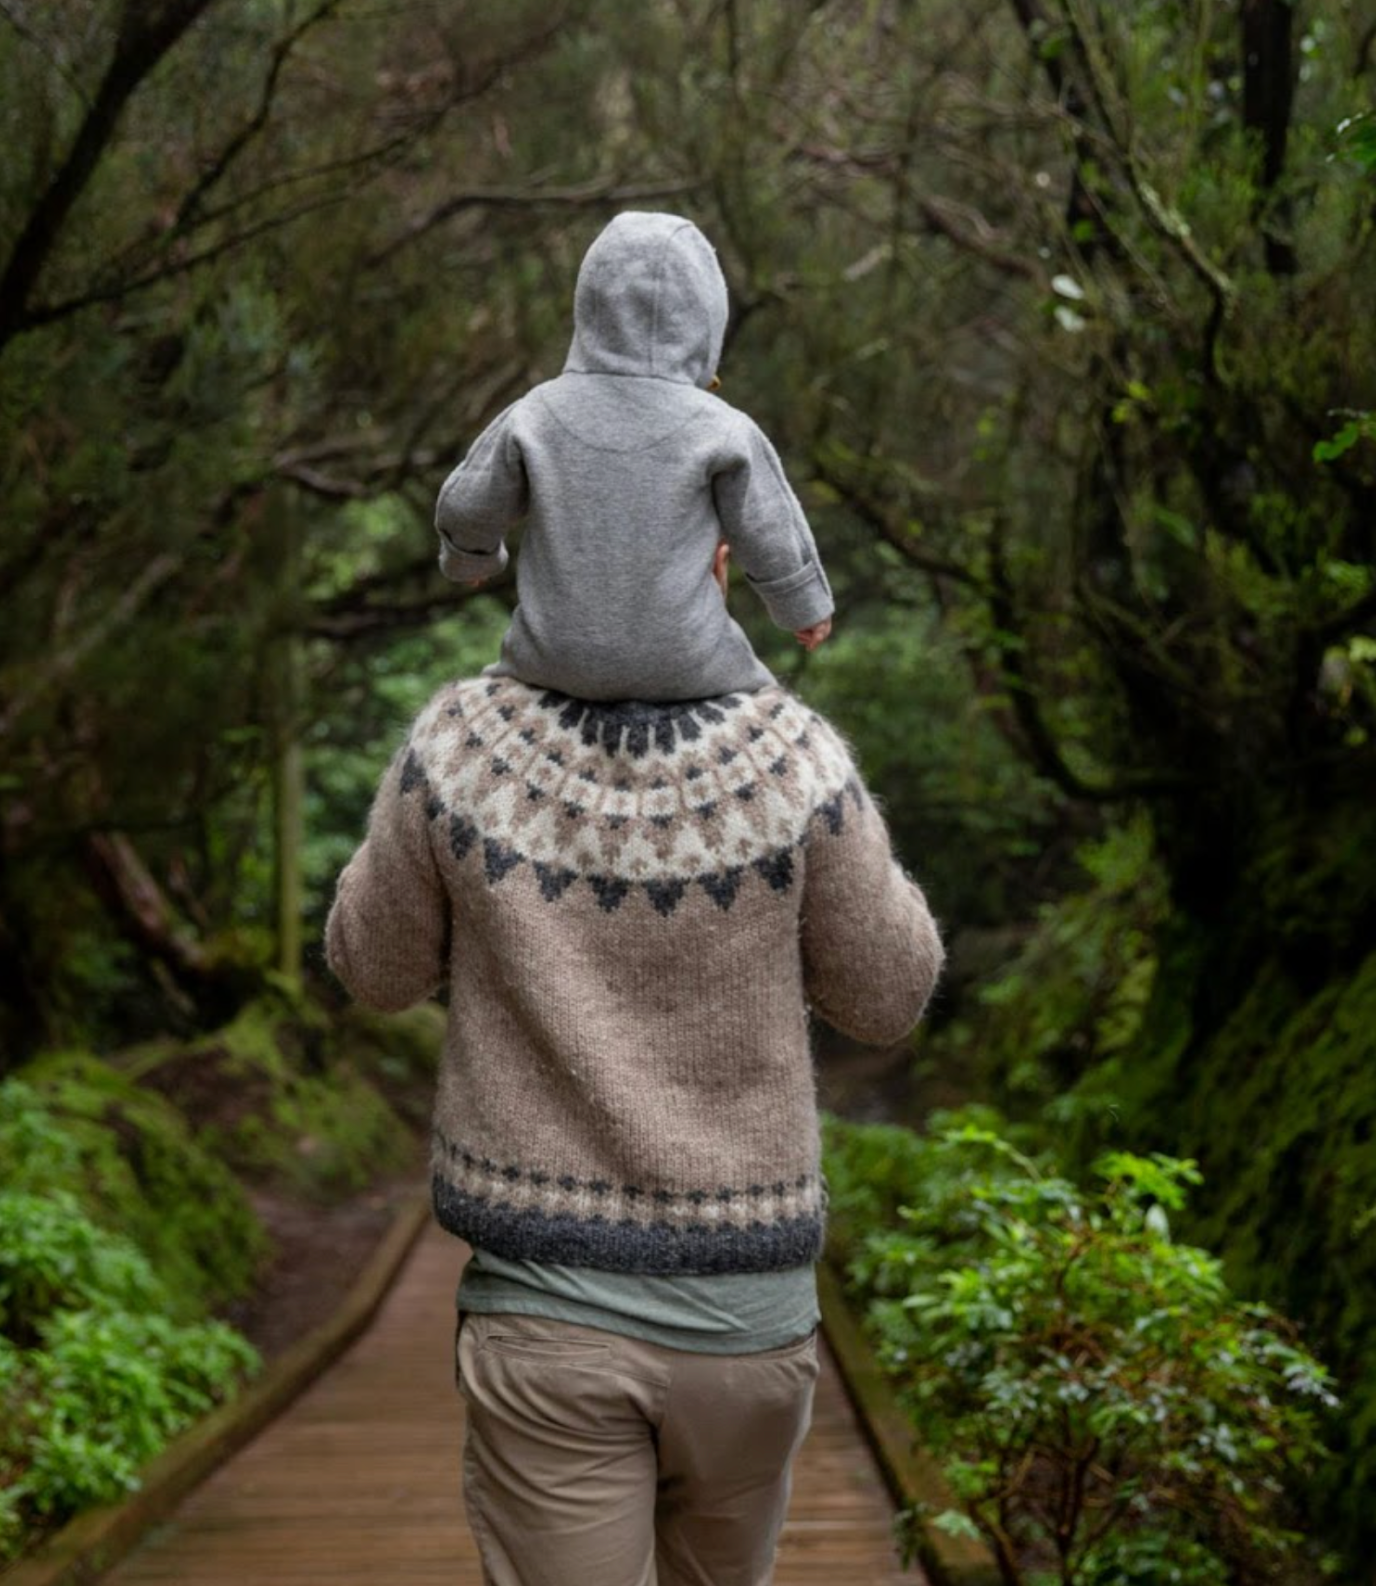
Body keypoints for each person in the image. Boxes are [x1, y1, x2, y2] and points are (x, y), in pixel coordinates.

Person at [323, 662, 943, 1586]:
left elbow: (373, 970)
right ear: (722, 558)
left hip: (547, 1319)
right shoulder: (789, 752)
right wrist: (789, 734)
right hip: (751, 1323)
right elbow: (891, 994)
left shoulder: (459, 744)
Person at [434, 210, 836, 703]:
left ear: (589, 302)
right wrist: (803, 607)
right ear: (707, 317)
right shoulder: (722, 426)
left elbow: (468, 502)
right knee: (774, 723)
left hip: (550, 661)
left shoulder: (537, 411)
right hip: (691, 663)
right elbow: (771, 527)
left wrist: (468, 558)